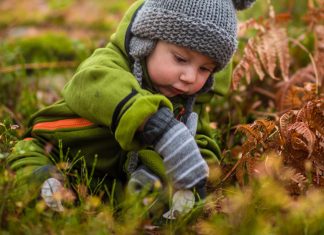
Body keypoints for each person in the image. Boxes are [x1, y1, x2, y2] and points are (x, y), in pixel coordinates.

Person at [7, 0, 255, 219]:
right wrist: (155, 124)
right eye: (180, 59)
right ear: (145, 42)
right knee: (30, 157)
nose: (190, 76)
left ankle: (135, 203)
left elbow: (199, 138)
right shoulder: (111, 63)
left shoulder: (189, 100)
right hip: (58, 147)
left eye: (205, 69)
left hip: (111, 180)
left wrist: (196, 175)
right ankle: (42, 184)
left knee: (155, 193)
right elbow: (91, 83)